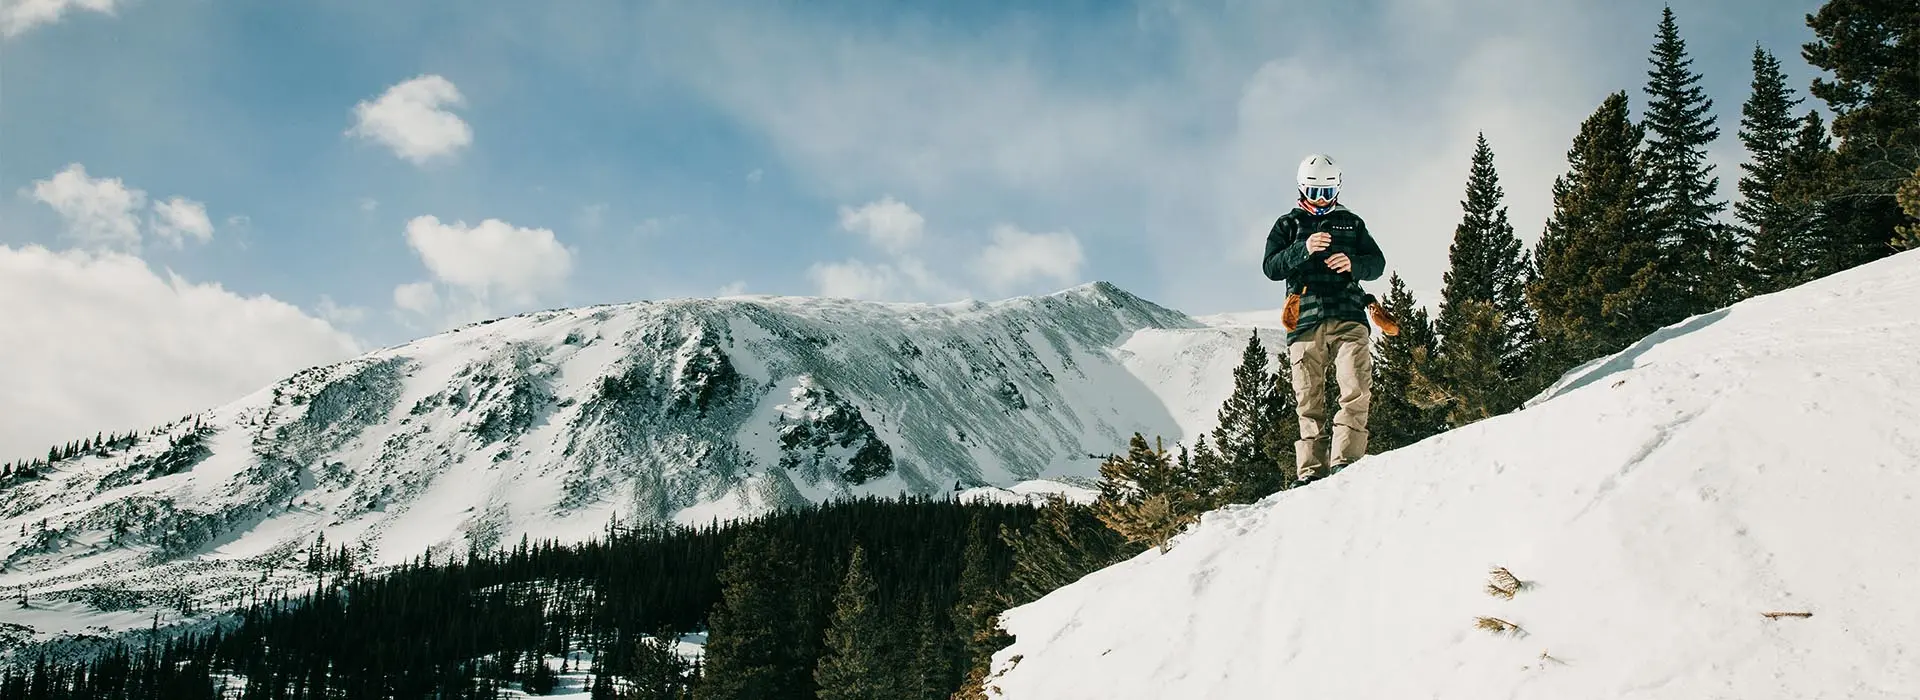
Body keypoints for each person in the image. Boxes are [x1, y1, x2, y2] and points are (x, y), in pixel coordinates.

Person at [1261, 153, 1387, 487]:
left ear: (1338, 189)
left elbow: (1377, 263)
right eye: (1315, 194)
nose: (1321, 201)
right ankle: (1311, 471)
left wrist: (1353, 264)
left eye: (1327, 194)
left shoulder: (1352, 223)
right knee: (1308, 397)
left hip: (1348, 314)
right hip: (1305, 320)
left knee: (1355, 385)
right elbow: (1270, 267)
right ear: (1302, 189)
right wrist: (1302, 248)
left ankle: (1346, 460)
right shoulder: (1288, 225)